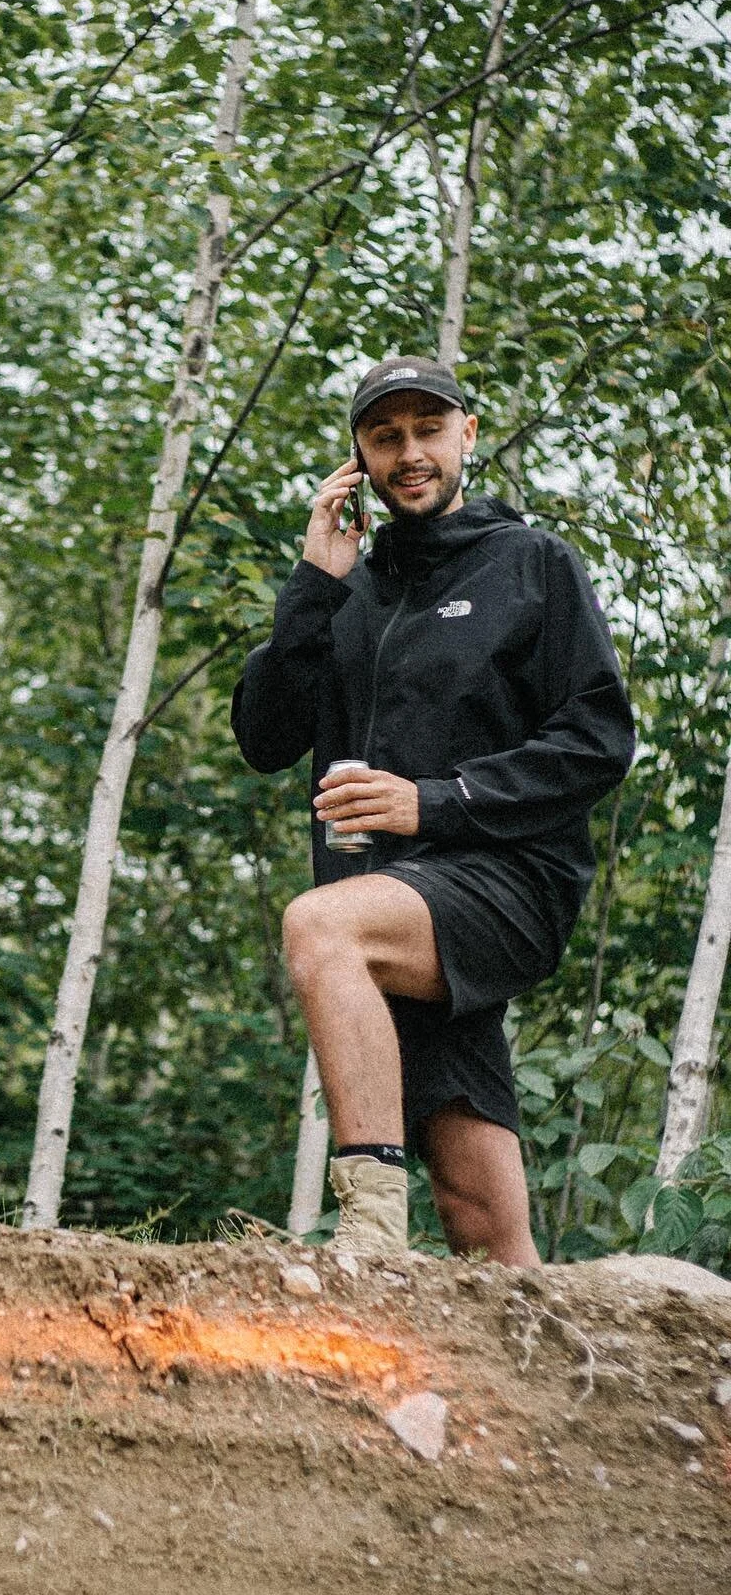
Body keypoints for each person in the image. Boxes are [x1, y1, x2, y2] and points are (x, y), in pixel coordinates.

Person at [231, 356, 635, 1264]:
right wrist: (313, 582)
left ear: (467, 435)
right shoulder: (347, 591)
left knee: (319, 931)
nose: (410, 452)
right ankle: (542, 1376)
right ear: (360, 460)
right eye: (386, 436)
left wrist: (434, 802)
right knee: (482, 1220)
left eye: (427, 430)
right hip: (388, 911)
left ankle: (368, 1229)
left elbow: (599, 739)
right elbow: (264, 740)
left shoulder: (532, 565)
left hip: (506, 882)